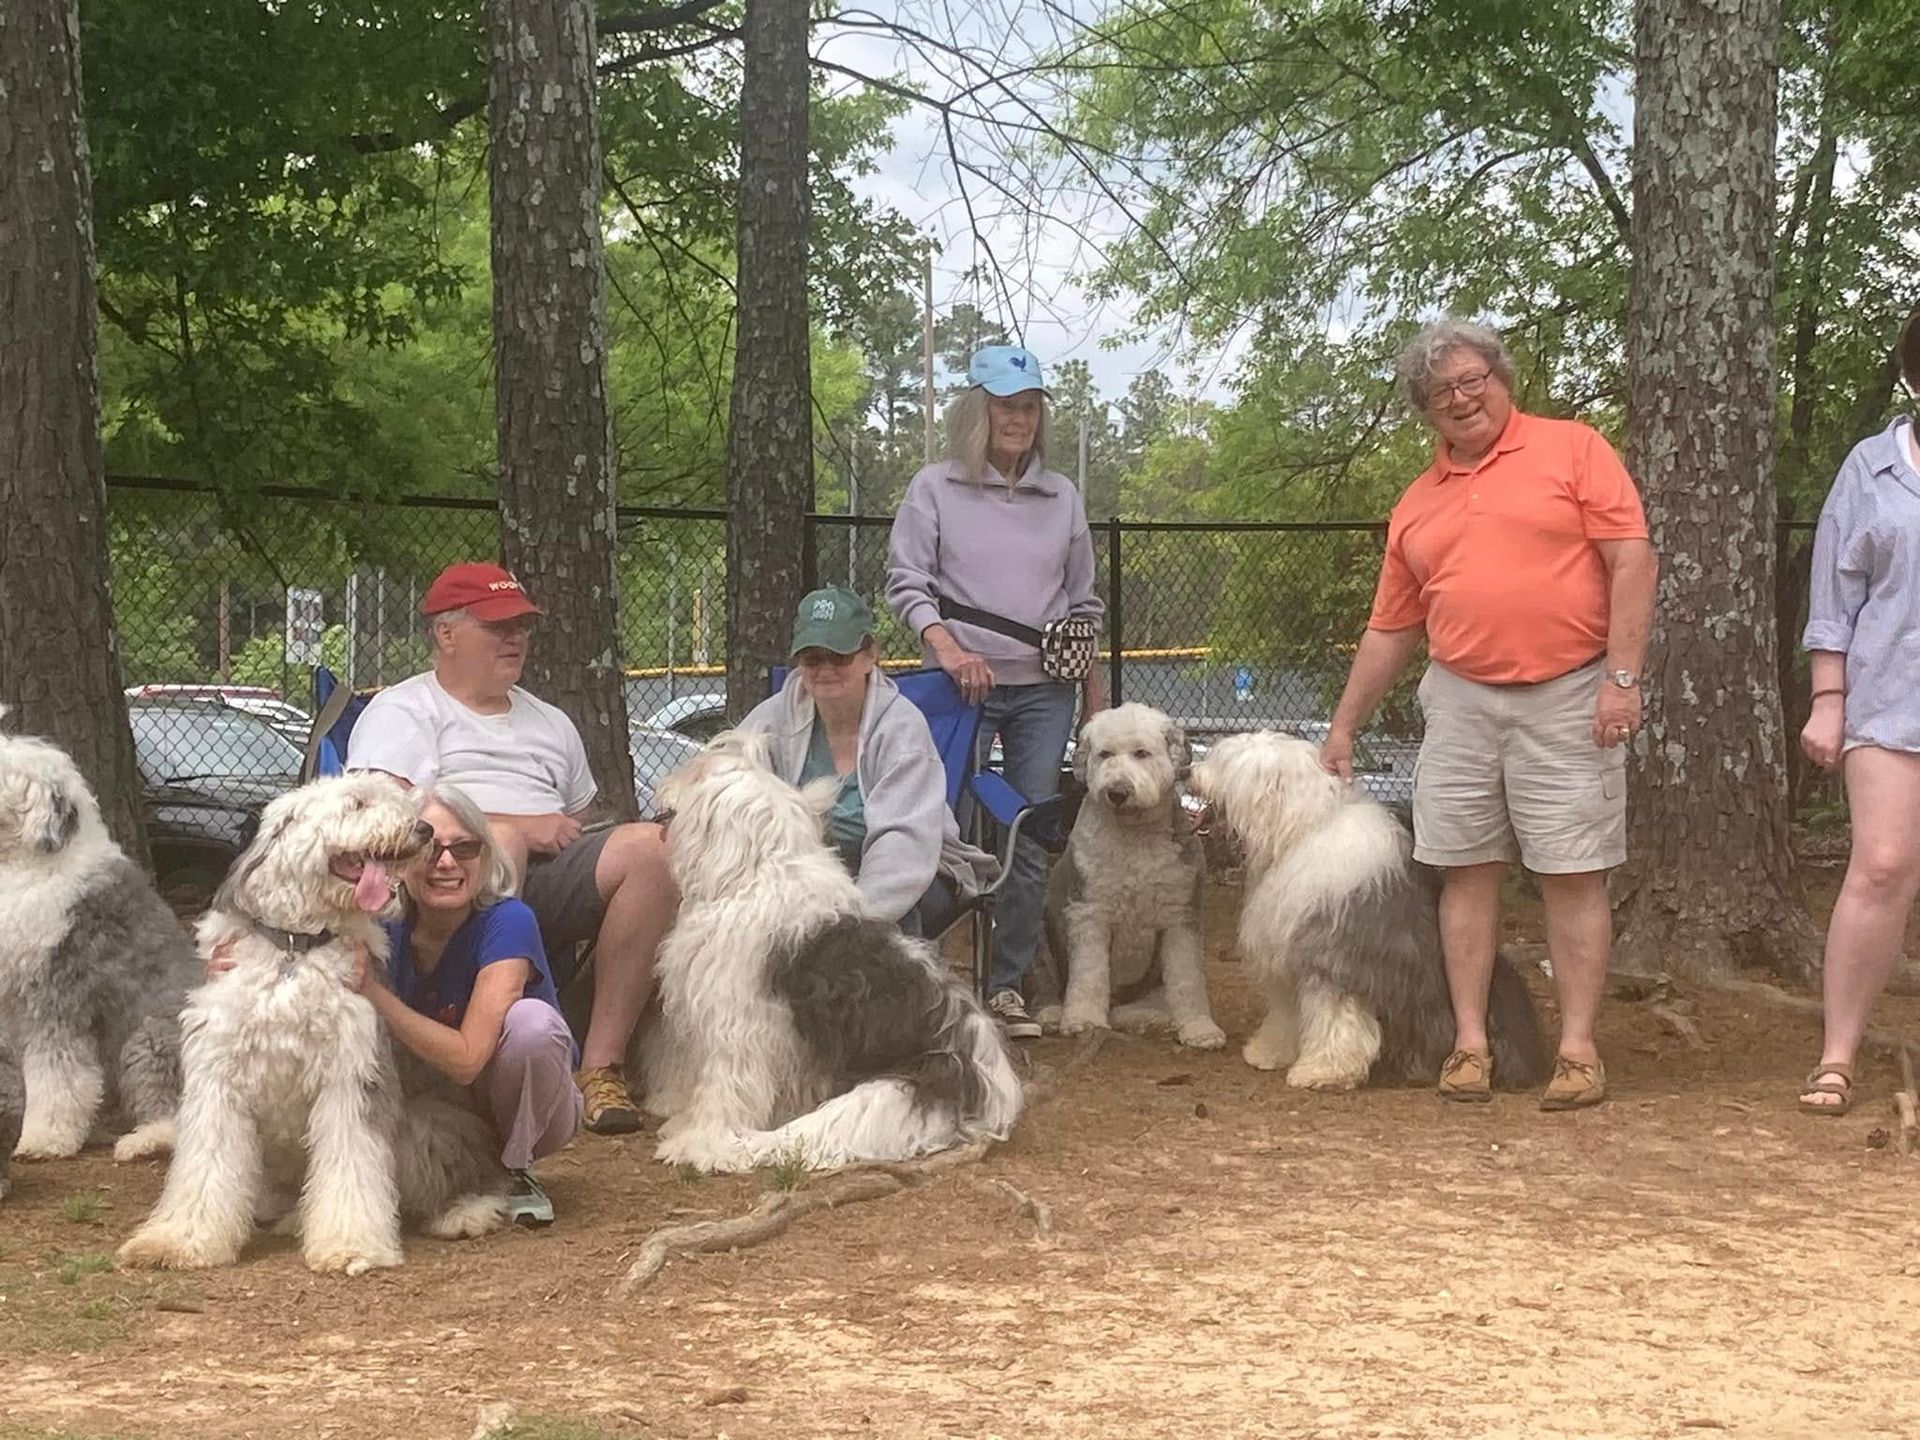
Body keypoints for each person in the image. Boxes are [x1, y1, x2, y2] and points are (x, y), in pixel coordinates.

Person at [1319, 318, 1658, 1110]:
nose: (1463, 399)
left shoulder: (1573, 450)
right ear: (1425, 409)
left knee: (1572, 872)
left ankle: (1577, 1051)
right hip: (1461, 700)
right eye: (1444, 392)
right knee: (1463, 872)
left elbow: (1631, 557)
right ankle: (1468, 1045)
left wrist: (1623, 678)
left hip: (1572, 693)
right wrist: (1343, 726)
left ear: (1504, 381)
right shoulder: (1417, 504)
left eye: (1476, 381)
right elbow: (1391, 626)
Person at [346, 562, 676, 1136]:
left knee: (656, 850)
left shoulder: (550, 721)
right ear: (445, 634)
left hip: (546, 873)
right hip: (439, 872)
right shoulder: (403, 711)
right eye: (496, 625)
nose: (515, 637)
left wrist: (538, 832)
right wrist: (515, 826)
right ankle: (477, 1041)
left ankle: (600, 1067)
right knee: (501, 841)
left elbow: (574, 821)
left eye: (521, 625)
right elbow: (383, 815)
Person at [886, 344, 1105, 1039]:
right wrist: (948, 650)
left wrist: (1096, 704)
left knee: (1029, 834)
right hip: (958, 690)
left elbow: (1084, 606)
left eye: (1030, 407)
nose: (1019, 419)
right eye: (1007, 406)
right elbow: (907, 583)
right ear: (980, 411)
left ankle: (1007, 986)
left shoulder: (1061, 495)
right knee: (934, 829)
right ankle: (921, 976)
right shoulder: (935, 488)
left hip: (1044, 692)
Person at [350, 785, 580, 1224]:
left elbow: (469, 1060)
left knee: (532, 1025)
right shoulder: (381, 924)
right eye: (430, 848)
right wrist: (233, 956)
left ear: (485, 856)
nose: (447, 863)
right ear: (402, 859)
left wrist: (374, 993)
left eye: (465, 847)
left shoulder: (508, 920)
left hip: (522, 1105)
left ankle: (516, 1168)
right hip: (432, 1111)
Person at [1795, 306, 1920, 1116]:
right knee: (1880, 868)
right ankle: (1837, 1056)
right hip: (1888, 704)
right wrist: (1827, 699)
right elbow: (1835, 597)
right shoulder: (1870, 468)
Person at [739, 585, 996, 934]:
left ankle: (890, 986)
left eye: (840, 655)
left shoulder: (902, 728)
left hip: (912, 871)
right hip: (804, 873)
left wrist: (847, 922)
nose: (826, 668)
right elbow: (724, 778)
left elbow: (902, 852)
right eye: (813, 658)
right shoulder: (772, 717)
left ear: (870, 654)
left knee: (895, 918)